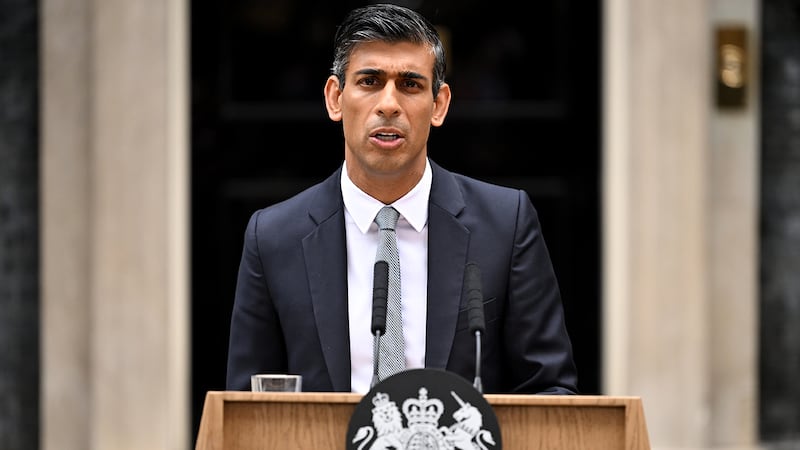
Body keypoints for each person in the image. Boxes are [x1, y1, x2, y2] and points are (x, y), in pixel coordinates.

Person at [226, 3, 578, 395]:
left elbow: (551, 391)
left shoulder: (505, 225)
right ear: (335, 98)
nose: (389, 104)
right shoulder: (274, 237)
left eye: (410, 84)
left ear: (439, 104)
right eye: (369, 81)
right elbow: (247, 406)